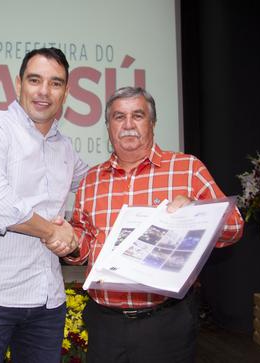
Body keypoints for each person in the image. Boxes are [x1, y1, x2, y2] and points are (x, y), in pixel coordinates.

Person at [65, 86, 244, 363]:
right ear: (108, 125)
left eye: (137, 115)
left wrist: (196, 213)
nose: (127, 125)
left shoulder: (187, 169)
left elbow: (234, 226)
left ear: (153, 122)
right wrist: (69, 241)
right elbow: (85, 245)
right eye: (118, 116)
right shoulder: (91, 180)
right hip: (104, 324)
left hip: (164, 324)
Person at [0, 47, 89, 363]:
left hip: (46, 303)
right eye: (35, 80)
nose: (44, 91)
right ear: (18, 84)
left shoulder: (65, 147)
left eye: (55, 83)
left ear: (65, 92)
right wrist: (49, 232)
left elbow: (101, 186)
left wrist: (170, 198)